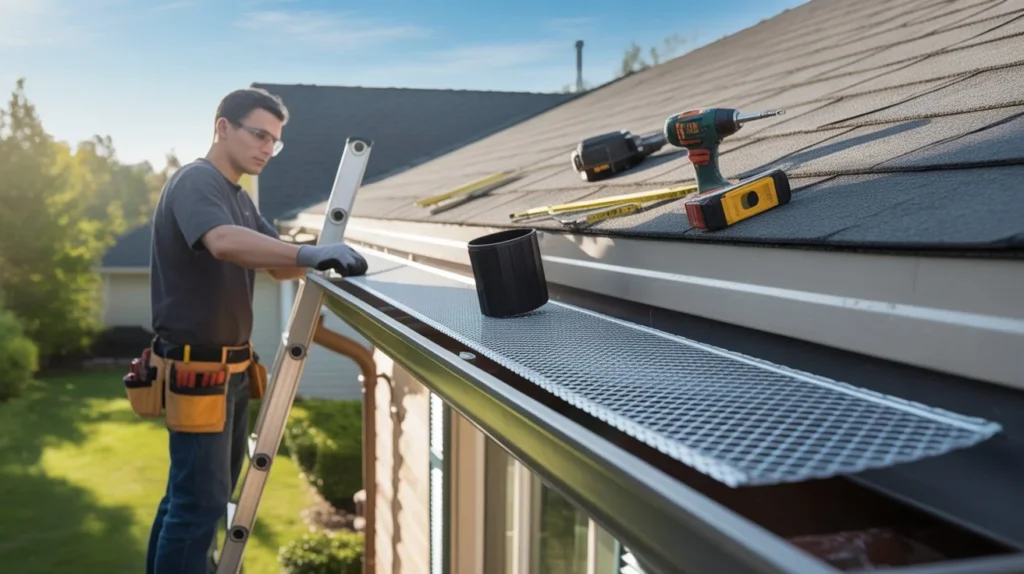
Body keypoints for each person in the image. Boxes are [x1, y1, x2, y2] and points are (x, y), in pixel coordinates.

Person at [144, 87, 366, 574]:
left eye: (275, 141)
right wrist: (309, 255)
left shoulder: (237, 199)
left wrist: (325, 247)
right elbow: (222, 242)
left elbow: (280, 264)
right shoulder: (197, 182)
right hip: (197, 371)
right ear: (223, 127)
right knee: (197, 507)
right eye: (259, 135)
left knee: (194, 499)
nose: (268, 148)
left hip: (232, 372)